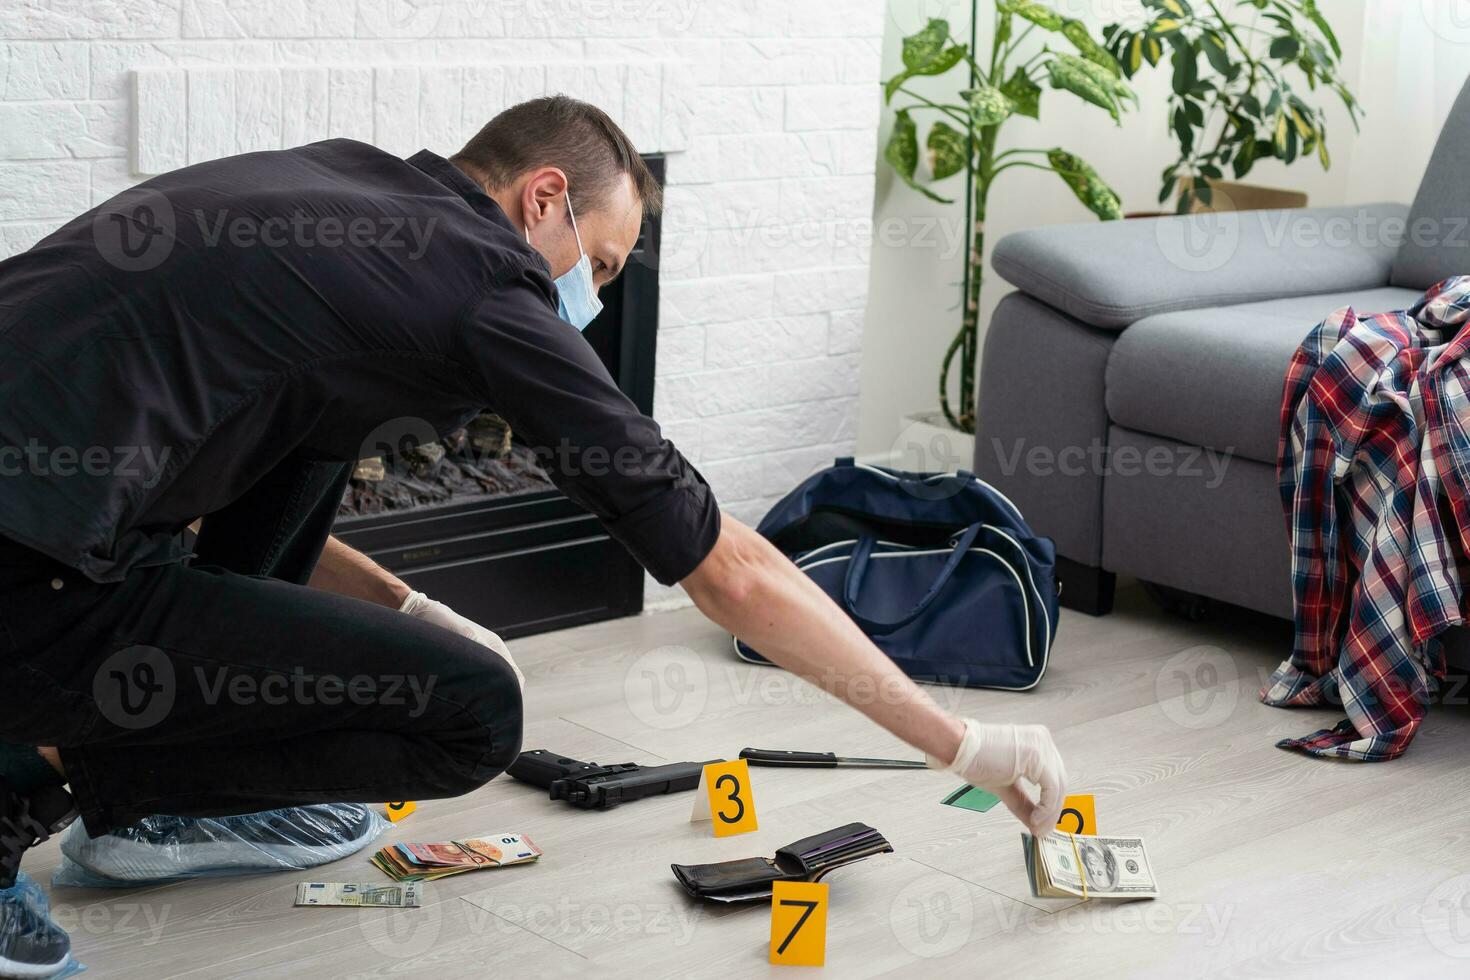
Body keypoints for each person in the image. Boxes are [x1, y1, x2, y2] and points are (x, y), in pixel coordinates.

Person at [0, 96, 1065, 974]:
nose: (594, 298)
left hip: (42, 520)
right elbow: (727, 569)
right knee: (475, 715)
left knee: (315, 441)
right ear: (542, 197)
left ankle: (121, 795)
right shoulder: (484, 288)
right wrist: (961, 741)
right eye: (601, 265)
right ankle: (46, 782)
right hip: (24, 576)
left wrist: (407, 604)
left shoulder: (349, 181)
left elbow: (241, 490)